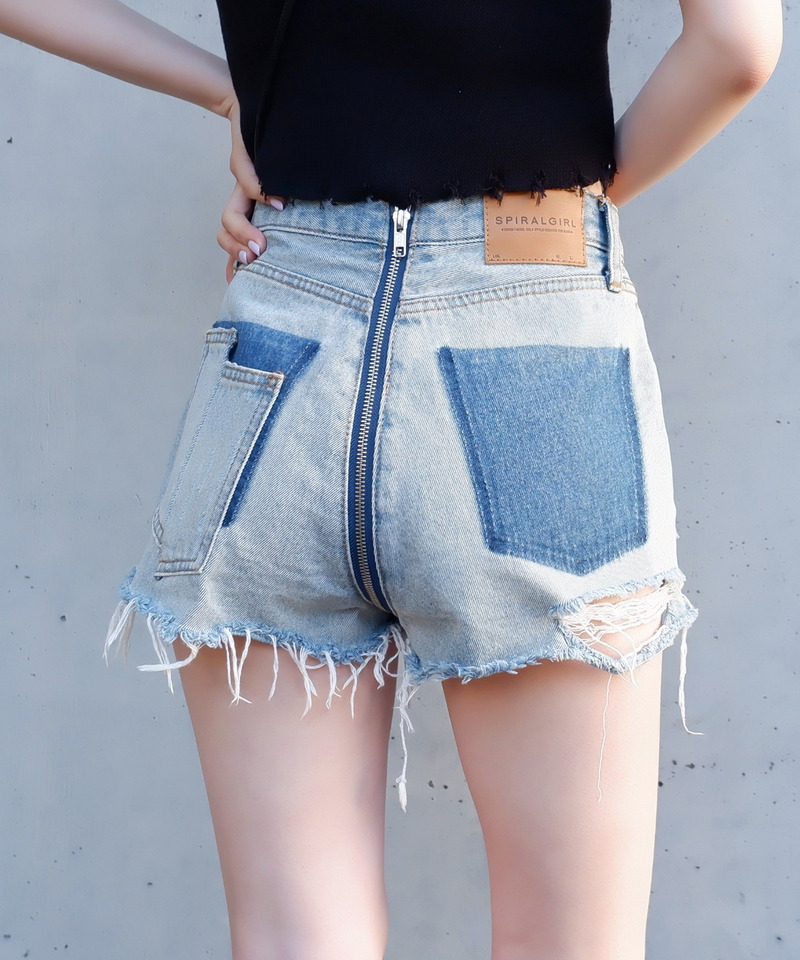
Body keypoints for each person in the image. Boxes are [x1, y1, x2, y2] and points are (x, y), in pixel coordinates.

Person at [0, 2, 782, 958]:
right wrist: (563, 215)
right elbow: (739, 47)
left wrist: (232, 95)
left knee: (293, 938)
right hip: (535, 329)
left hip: (283, 330)